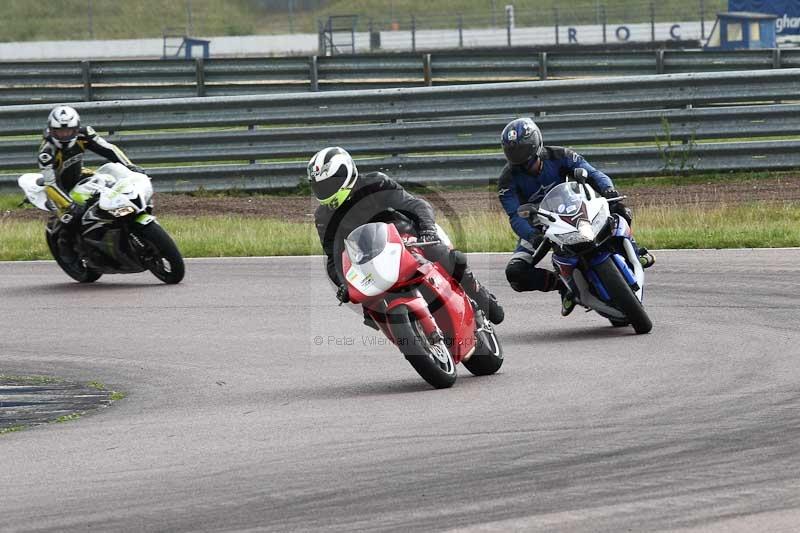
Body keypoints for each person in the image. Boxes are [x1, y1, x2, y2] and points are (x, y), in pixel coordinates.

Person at [310, 146, 504, 325]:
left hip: (404, 236)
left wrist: (427, 230)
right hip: (368, 259)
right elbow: (333, 259)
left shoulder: (375, 184)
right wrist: (343, 284)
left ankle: (478, 293)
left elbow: (415, 205)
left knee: (441, 254)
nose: (326, 191)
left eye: (330, 183)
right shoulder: (323, 216)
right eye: (321, 186)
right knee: (369, 306)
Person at [498, 117, 654, 316]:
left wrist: (608, 190)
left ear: (535, 144)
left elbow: (593, 173)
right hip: (540, 229)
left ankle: (633, 251)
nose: (518, 157)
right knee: (515, 274)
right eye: (512, 152)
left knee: (619, 209)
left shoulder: (561, 155)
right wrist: (531, 235)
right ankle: (564, 286)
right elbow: (515, 216)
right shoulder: (506, 180)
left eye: (522, 149)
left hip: (577, 210)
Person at [37, 105, 144, 262]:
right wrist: (70, 205)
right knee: (71, 216)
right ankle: (65, 245)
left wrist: (129, 166)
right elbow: (50, 184)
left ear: (76, 128)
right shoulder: (47, 152)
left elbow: (109, 149)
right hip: (59, 189)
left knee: (112, 186)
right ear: (51, 130)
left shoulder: (84, 134)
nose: (64, 135)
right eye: (59, 131)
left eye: (68, 131)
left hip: (79, 175)